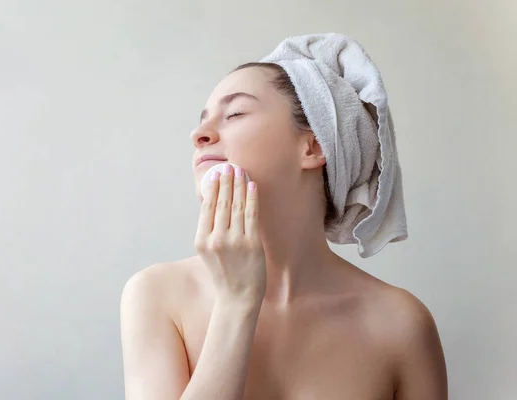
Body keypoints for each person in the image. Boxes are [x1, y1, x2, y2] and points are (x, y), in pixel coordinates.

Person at [120, 48, 448, 399]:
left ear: (314, 145)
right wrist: (237, 302)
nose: (198, 134)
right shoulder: (156, 294)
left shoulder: (401, 324)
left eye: (234, 113)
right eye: (203, 118)